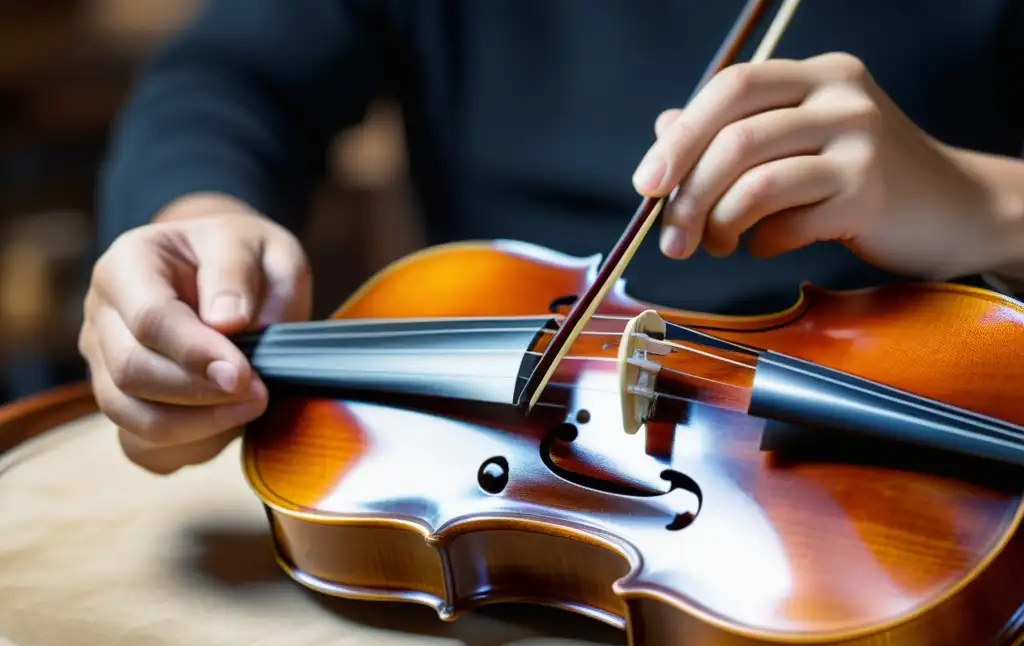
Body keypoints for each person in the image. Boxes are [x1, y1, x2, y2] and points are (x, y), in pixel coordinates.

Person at [79, 0, 1024, 475]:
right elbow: (230, 74)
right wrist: (197, 222)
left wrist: (984, 202)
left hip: (916, 445)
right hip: (504, 456)